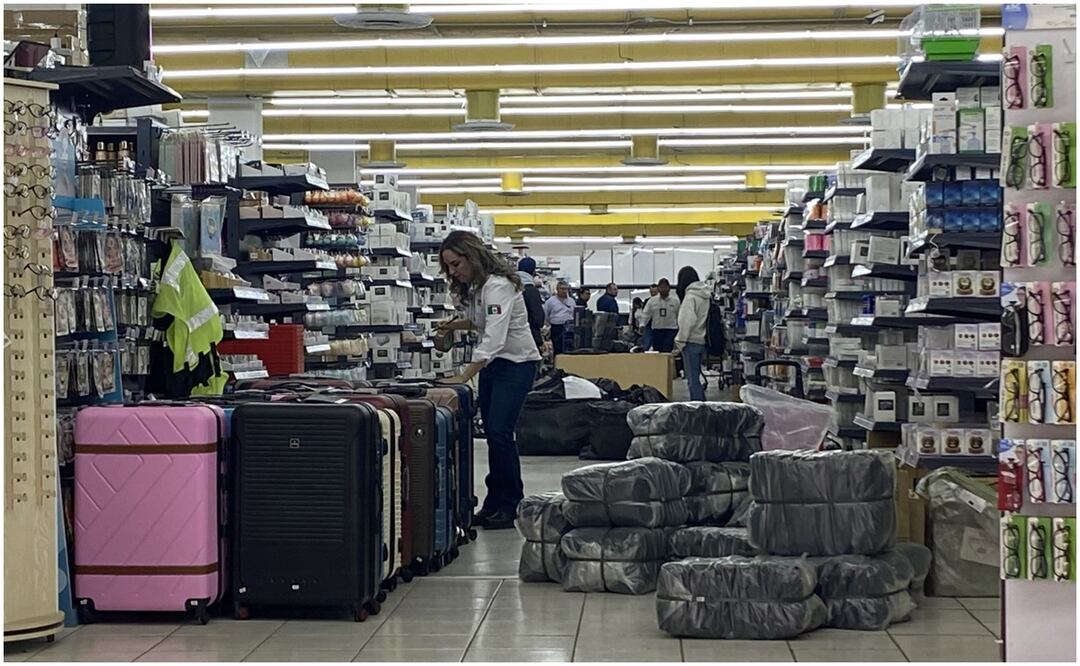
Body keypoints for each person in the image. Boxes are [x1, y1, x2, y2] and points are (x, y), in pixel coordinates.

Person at [437, 231, 541, 530]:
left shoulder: (498, 286)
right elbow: (481, 321)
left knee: (499, 432)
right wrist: (454, 325)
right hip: (496, 366)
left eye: (456, 264)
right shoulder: (478, 287)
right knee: (495, 434)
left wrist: (463, 376)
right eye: (449, 267)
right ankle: (494, 501)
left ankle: (510, 504)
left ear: (472, 256)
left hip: (517, 364)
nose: (454, 271)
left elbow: (494, 336)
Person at [674, 266, 710, 401]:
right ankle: (703, 405)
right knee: (696, 377)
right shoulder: (705, 295)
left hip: (691, 341)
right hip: (703, 340)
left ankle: (698, 410)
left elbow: (686, 321)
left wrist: (680, 341)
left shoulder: (690, 297)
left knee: (692, 380)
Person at [641, 277, 680, 352]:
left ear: (669, 288)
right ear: (658, 288)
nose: (663, 289)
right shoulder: (652, 301)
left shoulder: (675, 301)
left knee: (667, 350)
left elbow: (679, 315)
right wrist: (642, 324)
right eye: (661, 287)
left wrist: (680, 327)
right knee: (657, 351)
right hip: (657, 329)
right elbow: (646, 313)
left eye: (665, 287)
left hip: (671, 329)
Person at [516, 256, 546, 352]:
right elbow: (538, 317)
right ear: (533, 272)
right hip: (528, 337)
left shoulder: (510, 287)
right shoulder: (531, 290)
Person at [543, 281, 575, 356]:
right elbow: (546, 314)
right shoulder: (550, 301)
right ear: (557, 289)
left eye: (566, 289)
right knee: (557, 348)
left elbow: (573, 312)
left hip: (569, 326)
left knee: (569, 347)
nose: (564, 291)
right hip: (556, 327)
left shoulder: (571, 301)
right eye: (562, 289)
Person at [642, 283, 659, 350]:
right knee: (647, 343)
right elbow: (645, 314)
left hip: (658, 326)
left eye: (655, 292)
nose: (653, 294)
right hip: (648, 326)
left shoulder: (662, 301)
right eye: (652, 292)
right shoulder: (647, 301)